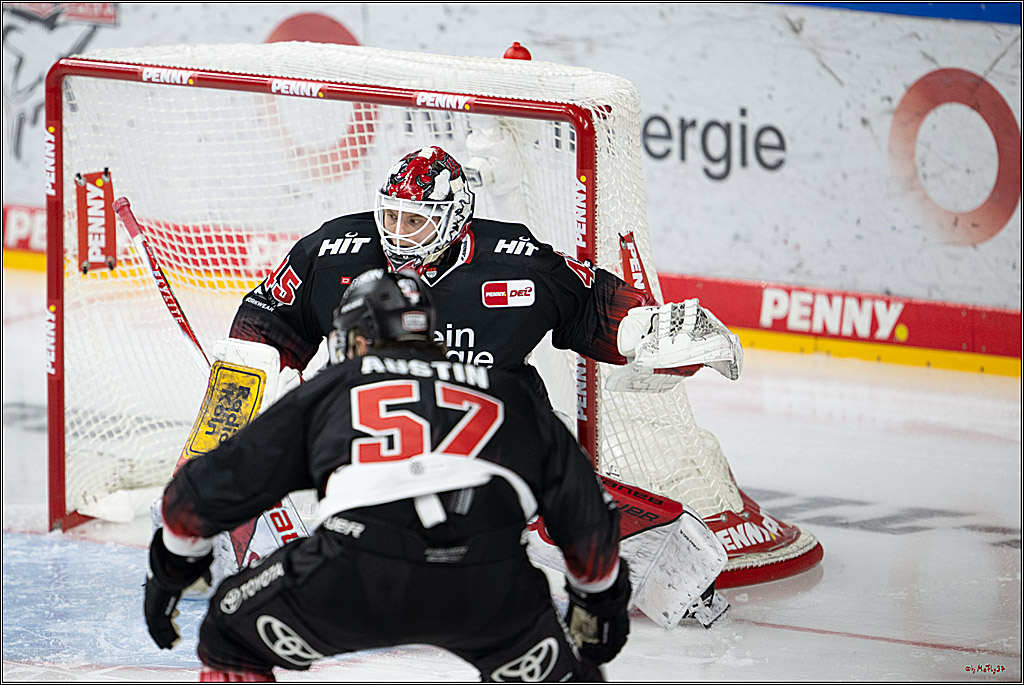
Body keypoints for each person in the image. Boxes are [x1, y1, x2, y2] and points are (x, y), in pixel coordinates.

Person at [145, 269, 631, 682]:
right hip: (490, 582)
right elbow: (588, 520)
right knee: (570, 673)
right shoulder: (508, 390)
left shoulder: (336, 383)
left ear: (356, 339)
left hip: (357, 569)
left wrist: (170, 573)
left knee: (230, 633)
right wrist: (599, 607)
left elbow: (197, 496)